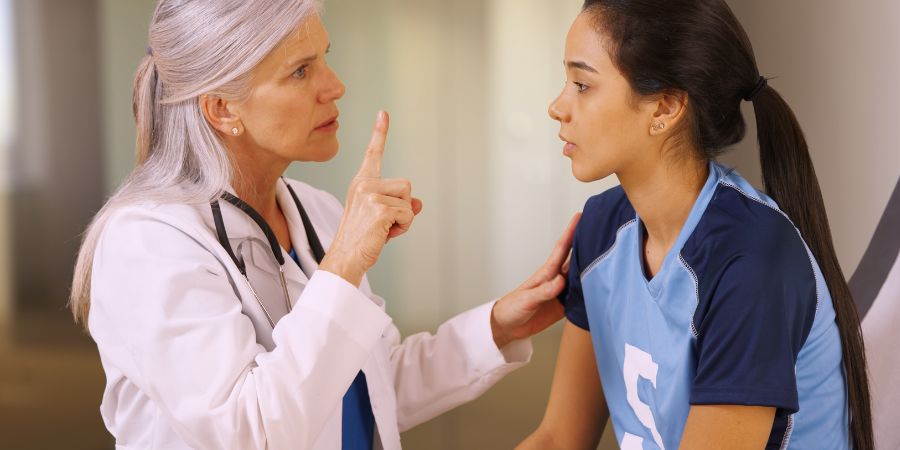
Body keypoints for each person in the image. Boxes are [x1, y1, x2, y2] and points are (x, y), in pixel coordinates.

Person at [69, 1, 576, 448]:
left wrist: (495, 328)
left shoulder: (316, 211)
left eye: (325, 58)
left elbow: (364, 389)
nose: (334, 86)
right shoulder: (146, 243)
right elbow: (250, 432)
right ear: (222, 108)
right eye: (300, 72)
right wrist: (344, 264)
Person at [519, 1, 873, 449]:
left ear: (664, 107)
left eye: (582, 84)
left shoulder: (749, 262)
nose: (557, 106)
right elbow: (557, 439)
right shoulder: (600, 229)